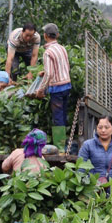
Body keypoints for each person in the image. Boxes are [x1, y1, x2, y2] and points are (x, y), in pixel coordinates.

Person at [34, 23, 71, 151]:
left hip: (57, 89)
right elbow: (64, 66)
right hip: (67, 85)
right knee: (63, 115)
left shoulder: (48, 52)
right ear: (57, 35)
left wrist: (40, 90)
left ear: (45, 36)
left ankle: (60, 148)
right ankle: (65, 146)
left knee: (58, 118)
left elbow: (50, 73)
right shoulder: (62, 48)